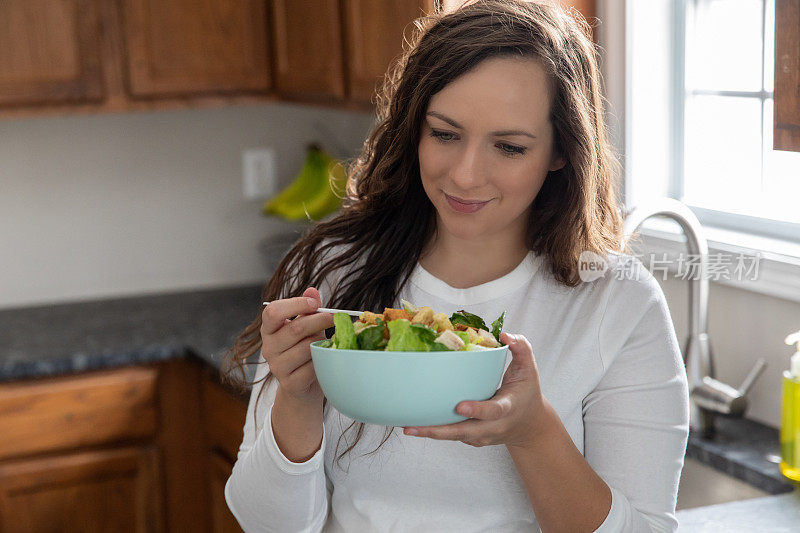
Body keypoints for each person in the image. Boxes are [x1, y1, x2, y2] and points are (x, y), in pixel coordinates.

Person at [223, 0, 690, 531]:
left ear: (561, 151)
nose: (466, 176)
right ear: (413, 130)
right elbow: (268, 525)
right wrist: (298, 397)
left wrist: (532, 430)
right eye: (444, 134)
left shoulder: (617, 301)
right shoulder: (333, 272)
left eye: (509, 147)